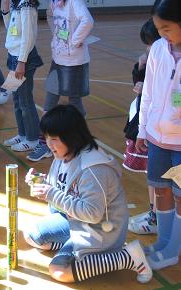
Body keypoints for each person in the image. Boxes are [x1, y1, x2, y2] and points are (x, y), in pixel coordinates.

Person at [23, 105, 152, 284]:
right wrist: (42, 182)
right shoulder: (65, 154)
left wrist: (51, 194)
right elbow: (63, 186)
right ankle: (77, 248)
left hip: (101, 230)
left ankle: (128, 256)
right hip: (76, 221)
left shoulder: (94, 170)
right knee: (32, 234)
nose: (48, 144)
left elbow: (92, 213)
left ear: (71, 137)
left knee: (59, 271)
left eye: (53, 138)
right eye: (46, 137)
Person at [136, 0, 181, 270]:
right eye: (158, 28)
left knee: (179, 194)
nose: (162, 33)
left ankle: (173, 250)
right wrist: (143, 129)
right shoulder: (157, 49)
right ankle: (163, 242)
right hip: (156, 138)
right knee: (161, 190)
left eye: (166, 28)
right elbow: (149, 93)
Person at [27, 0, 93, 162]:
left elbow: (88, 21)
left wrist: (74, 40)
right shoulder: (54, 3)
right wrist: (57, 34)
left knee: (75, 102)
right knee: (49, 100)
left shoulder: (74, 2)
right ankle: (45, 142)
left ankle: (82, 140)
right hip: (58, 58)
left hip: (74, 61)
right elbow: (50, 16)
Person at [124, 19, 160, 235]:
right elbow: (140, 88)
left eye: (151, 43)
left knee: (159, 177)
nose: (148, 49)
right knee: (151, 174)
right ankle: (154, 213)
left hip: (160, 129)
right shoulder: (151, 60)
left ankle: (158, 217)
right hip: (144, 122)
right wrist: (140, 69)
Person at [1, 0, 44, 152]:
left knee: (25, 100)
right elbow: (11, 30)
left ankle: (32, 139)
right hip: (13, 57)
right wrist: (5, 11)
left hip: (23, 59)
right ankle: (23, 134)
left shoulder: (27, 6)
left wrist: (21, 62)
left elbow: (28, 37)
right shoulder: (16, 4)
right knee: (17, 99)